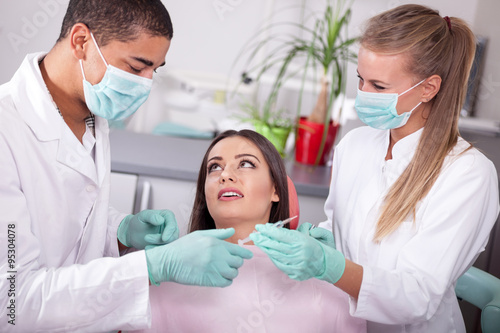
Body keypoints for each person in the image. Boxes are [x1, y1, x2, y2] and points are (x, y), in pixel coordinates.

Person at [0, 1, 252, 331]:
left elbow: (63, 218)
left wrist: (120, 230)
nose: (146, 84)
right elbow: (13, 303)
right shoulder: (7, 130)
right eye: (136, 68)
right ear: (81, 41)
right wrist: (151, 267)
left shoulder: (90, 112)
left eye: (154, 70)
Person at [250, 4, 500, 333]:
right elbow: (342, 227)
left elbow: (417, 296)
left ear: (428, 88)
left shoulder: (467, 174)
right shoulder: (355, 145)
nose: (363, 95)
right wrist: (325, 240)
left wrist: (330, 265)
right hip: (340, 320)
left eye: (379, 87)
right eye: (360, 80)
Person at [128, 129, 367, 332]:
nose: (225, 175)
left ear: (276, 189)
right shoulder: (166, 276)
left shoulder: (323, 285)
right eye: (214, 167)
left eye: (245, 163)